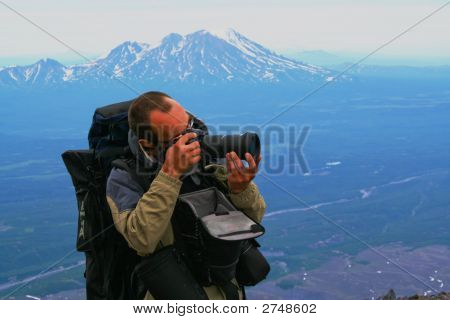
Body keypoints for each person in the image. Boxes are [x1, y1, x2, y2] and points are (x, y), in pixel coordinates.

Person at [106, 91, 266, 299]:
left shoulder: (207, 159)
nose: (193, 139)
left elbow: (254, 220)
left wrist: (240, 190)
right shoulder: (125, 178)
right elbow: (142, 239)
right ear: (148, 143)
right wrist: (170, 175)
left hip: (225, 289)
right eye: (179, 137)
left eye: (190, 126)